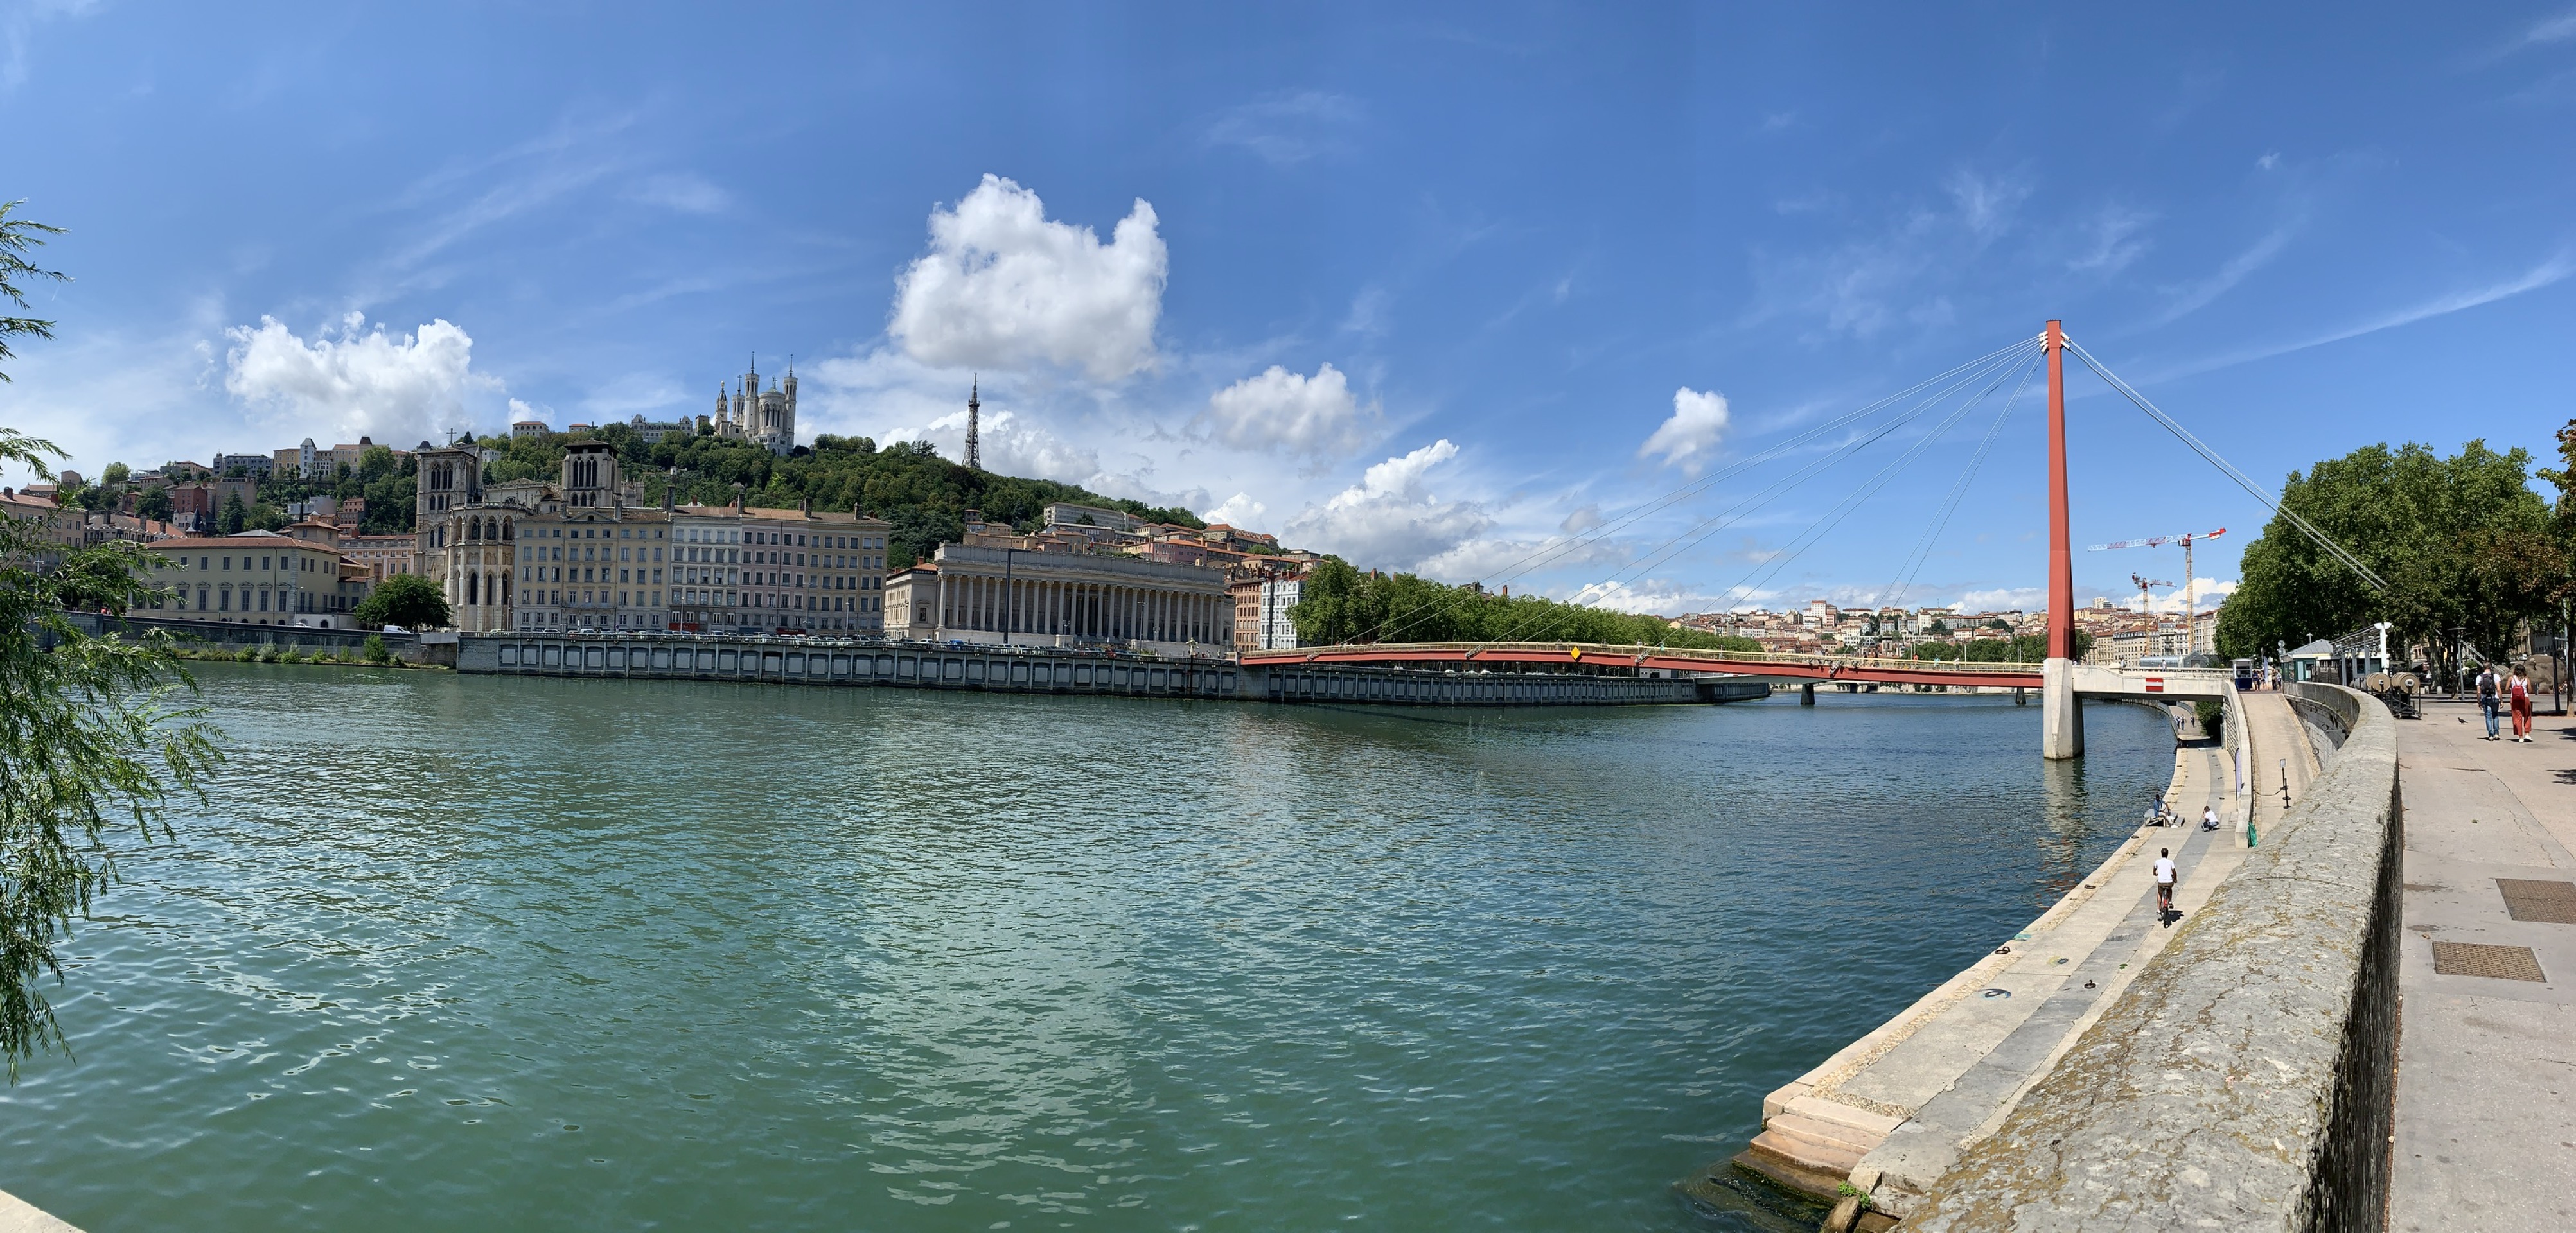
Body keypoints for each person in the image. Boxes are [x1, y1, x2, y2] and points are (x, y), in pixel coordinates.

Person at [2510, 665, 2534, 743]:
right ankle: (2527, 733)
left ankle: (2520, 737)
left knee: (2517, 717)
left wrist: (2512, 689)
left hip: (2514, 700)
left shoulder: (2511, 678)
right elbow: (2530, 691)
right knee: (2527, 716)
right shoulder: (2526, 679)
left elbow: (2506, 688)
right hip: (2525, 698)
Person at [2478, 665, 2502, 740]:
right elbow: (2498, 689)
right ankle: (2496, 733)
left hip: (2485, 699)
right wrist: (2501, 700)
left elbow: (2479, 692)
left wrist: (2479, 701)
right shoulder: (2496, 676)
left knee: (2488, 717)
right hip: (2495, 698)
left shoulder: (2480, 677)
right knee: (2495, 716)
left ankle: (2490, 735)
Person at [2153, 848, 2178, 923]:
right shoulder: (2170, 862)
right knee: (2170, 889)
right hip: (2169, 882)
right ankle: (2170, 901)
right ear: (2167, 854)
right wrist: (2175, 879)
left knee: (2160, 893)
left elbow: (2154, 869)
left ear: (2161, 854)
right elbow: (2174, 872)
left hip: (2161, 882)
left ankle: (2158, 908)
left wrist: (2155, 873)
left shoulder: (2157, 862)